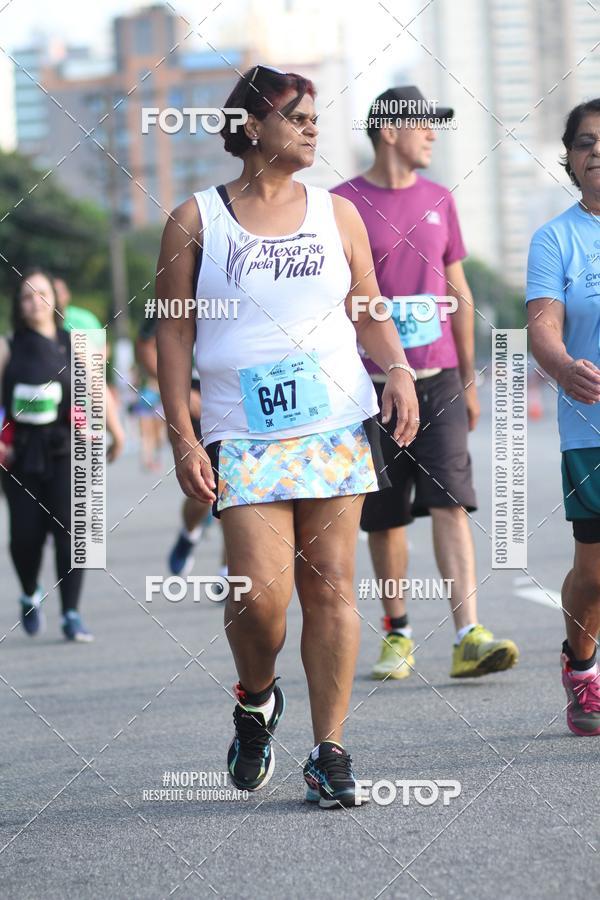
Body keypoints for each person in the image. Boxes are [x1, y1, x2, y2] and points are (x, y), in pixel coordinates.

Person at [156, 65, 419, 807]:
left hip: (334, 422)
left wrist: (395, 367)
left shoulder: (337, 215)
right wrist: (182, 435)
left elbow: (367, 306)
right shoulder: (194, 220)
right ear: (250, 128)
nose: (311, 126)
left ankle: (329, 752)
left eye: (313, 115)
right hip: (243, 434)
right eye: (294, 115)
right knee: (260, 600)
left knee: (331, 588)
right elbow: (173, 336)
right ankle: (256, 700)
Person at [333, 86, 519, 680]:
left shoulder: (442, 198)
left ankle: (467, 633)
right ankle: (398, 634)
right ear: (390, 131)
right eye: (423, 125)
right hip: (371, 386)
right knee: (386, 517)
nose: (433, 134)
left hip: (438, 380)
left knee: (451, 502)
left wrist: (468, 377)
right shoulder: (341, 203)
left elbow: (456, 293)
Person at [527, 99, 600, 735]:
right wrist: (563, 364)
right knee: (596, 574)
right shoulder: (556, 238)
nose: (597, 151)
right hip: (591, 425)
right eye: (585, 142)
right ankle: (581, 666)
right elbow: (542, 327)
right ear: (571, 159)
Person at [0, 269, 123, 641]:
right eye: (25, 296)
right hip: (19, 454)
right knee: (25, 537)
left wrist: (116, 433)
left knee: (73, 533)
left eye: (40, 294)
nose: (33, 301)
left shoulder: (76, 344)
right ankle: (29, 592)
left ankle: (71, 612)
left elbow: (96, 390)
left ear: (55, 300)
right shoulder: (7, 346)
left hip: (68, 450)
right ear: (18, 306)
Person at [136, 311, 227, 581]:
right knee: (206, 486)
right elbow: (145, 347)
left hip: (241, 388)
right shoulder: (179, 286)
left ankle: (228, 570)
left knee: (236, 485)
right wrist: (183, 393)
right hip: (193, 395)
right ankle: (189, 532)